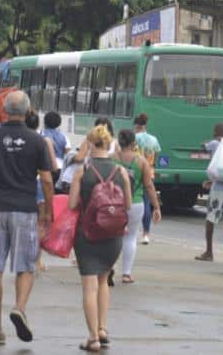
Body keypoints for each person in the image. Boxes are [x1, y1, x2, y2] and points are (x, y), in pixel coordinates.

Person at [0, 92, 53, 345]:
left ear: (4, 110)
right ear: (28, 112)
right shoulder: (37, 141)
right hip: (25, 211)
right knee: (26, 266)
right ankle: (19, 307)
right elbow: (47, 179)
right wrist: (48, 212)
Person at [68, 125, 131, 352]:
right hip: (113, 236)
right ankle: (103, 329)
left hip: (87, 235)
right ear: (108, 144)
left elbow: (72, 204)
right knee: (104, 281)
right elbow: (128, 205)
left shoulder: (82, 172)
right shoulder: (121, 172)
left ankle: (93, 338)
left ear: (92, 144)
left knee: (89, 286)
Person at [114, 129, 162, 284]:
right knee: (130, 237)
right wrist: (156, 207)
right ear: (134, 143)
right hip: (135, 203)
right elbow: (148, 185)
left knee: (112, 236)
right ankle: (126, 274)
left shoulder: (111, 158)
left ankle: (108, 268)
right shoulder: (141, 161)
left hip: (113, 203)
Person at [196, 123, 223, 262]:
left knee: (210, 219)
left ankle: (209, 252)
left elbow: (202, 146)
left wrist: (213, 138)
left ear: (216, 132)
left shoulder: (215, 144)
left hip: (218, 188)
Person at [25, 111, 58, 273]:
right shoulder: (44, 141)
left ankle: (24, 257)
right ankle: (36, 260)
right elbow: (52, 167)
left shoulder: (17, 140)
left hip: (20, 189)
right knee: (39, 225)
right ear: (38, 124)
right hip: (39, 187)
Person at [134, 113, 161, 245]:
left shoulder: (135, 137)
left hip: (136, 172)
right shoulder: (153, 139)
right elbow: (156, 155)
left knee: (132, 201)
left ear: (137, 126)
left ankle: (130, 229)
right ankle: (146, 234)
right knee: (146, 203)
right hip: (149, 172)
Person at [42, 111, 71, 183]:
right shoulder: (64, 137)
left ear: (44, 122)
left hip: (45, 168)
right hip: (60, 169)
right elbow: (68, 154)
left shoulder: (40, 134)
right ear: (59, 123)